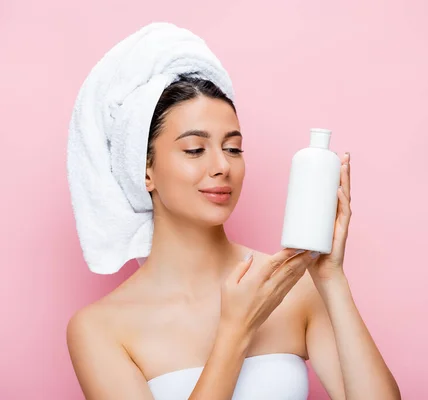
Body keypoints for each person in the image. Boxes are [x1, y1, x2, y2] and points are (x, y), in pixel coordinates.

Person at [66, 27, 400, 400]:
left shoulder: (292, 288)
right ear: (144, 170)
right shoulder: (100, 329)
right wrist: (235, 331)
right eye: (195, 149)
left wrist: (331, 278)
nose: (222, 165)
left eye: (233, 148)